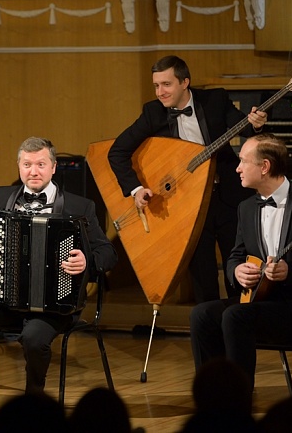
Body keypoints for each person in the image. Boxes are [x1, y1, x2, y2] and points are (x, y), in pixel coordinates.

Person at [0, 137, 118, 420]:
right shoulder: (1, 197)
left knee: (33, 338)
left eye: (40, 164)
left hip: (55, 305)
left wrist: (87, 262)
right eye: (27, 165)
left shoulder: (80, 207)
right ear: (19, 166)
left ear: (53, 167)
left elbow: (108, 252)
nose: (33, 171)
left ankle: (34, 406)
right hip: (4, 297)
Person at [189, 133, 292, 391]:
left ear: (264, 167)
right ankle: (213, 396)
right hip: (262, 302)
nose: (238, 168)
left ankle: (238, 400)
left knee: (235, 316)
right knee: (202, 314)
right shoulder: (246, 208)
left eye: (244, 161)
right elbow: (235, 256)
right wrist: (237, 271)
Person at [108, 55, 267, 303]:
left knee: (239, 270)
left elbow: (245, 128)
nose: (160, 92)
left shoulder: (215, 100)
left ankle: (241, 322)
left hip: (228, 198)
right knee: (203, 277)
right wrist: (136, 189)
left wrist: (256, 124)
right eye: (156, 85)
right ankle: (209, 325)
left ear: (185, 82)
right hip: (188, 206)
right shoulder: (153, 113)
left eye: (166, 84)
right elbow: (117, 152)